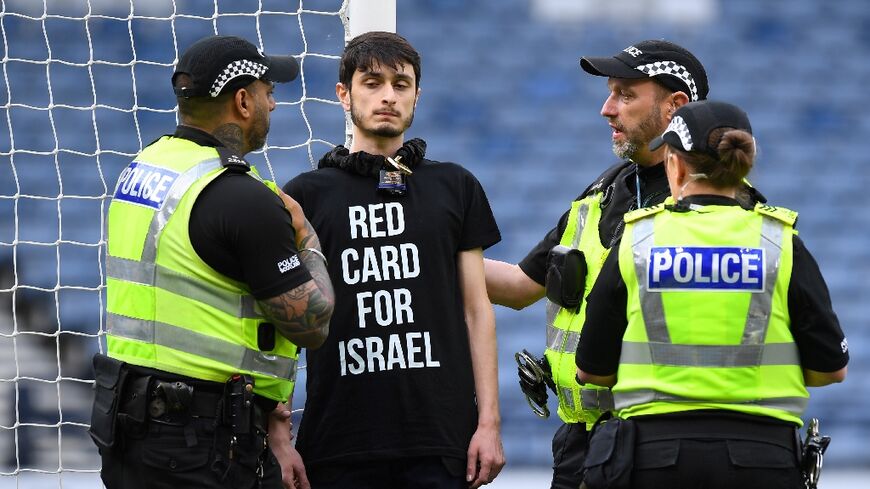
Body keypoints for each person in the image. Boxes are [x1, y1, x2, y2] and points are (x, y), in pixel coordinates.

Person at [484, 40, 744, 489]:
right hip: (583, 442)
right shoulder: (600, 192)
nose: (607, 109)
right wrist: (427, 247)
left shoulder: (718, 209)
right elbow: (519, 287)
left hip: (665, 446)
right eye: (610, 93)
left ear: (674, 107)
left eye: (625, 95)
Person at [90, 35, 335, 489]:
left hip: (131, 430)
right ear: (243, 101)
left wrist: (273, 427)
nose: (274, 104)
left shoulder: (143, 168)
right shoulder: (244, 197)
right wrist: (307, 239)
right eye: (268, 91)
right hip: (202, 446)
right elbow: (312, 324)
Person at [576, 100, 849, 489]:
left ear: (677, 165)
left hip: (652, 457)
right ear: (744, 167)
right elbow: (830, 369)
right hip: (763, 459)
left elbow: (592, 371)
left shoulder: (638, 238)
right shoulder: (780, 241)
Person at [283, 31, 505, 489]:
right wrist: (280, 432)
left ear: (417, 96)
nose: (388, 95)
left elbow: (476, 310)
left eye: (400, 84)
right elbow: (284, 321)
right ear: (344, 93)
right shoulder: (305, 195)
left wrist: (490, 424)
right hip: (338, 440)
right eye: (372, 82)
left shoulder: (455, 185)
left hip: (441, 440)